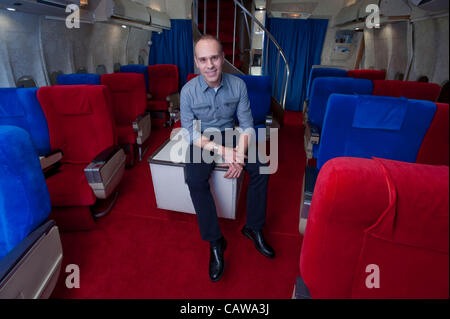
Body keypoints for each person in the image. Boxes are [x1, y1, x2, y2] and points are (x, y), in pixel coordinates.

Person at [180, 35, 275, 282]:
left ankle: (253, 227)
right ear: (196, 62)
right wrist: (224, 152)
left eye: (214, 57)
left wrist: (239, 155)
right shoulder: (187, 92)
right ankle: (215, 241)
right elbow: (190, 132)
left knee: (262, 168)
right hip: (203, 139)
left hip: (233, 135)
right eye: (203, 60)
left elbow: (246, 126)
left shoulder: (238, 86)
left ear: (222, 58)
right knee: (194, 180)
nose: (209, 65)